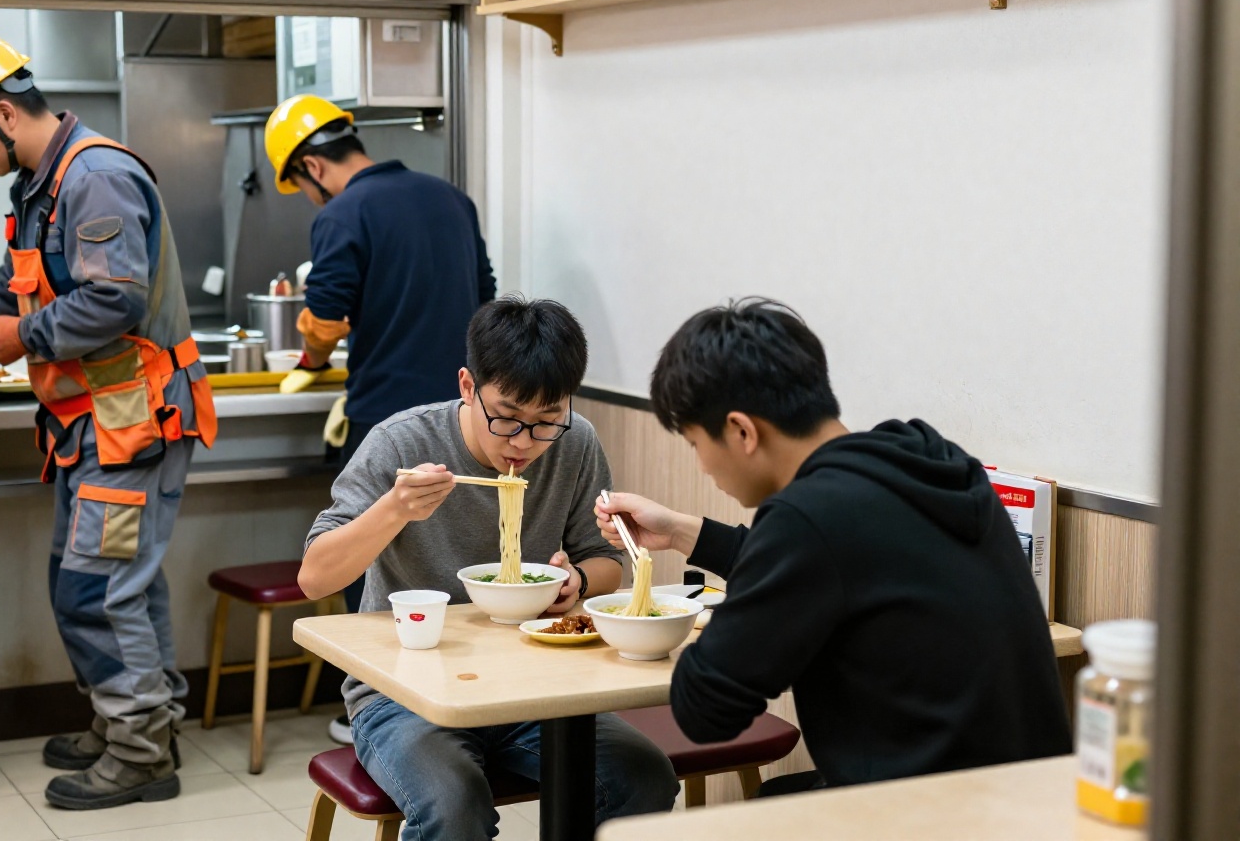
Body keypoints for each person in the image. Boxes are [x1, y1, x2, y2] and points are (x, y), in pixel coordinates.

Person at [595, 299, 1072, 796]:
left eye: (696, 444)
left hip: (929, 817)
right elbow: (831, 565)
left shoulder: (807, 517)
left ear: (741, 430)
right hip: (1034, 803)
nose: (703, 467)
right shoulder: (925, 459)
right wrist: (680, 532)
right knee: (780, 797)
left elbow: (706, 710)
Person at [0, 31, 217, 810]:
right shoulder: (42, 185)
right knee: (109, 585)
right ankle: (133, 721)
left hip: (133, 424)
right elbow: (22, 284)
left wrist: (17, 339)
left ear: (4, 114)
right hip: (94, 428)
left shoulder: (97, 178)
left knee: (98, 589)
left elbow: (111, 301)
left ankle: (141, 750)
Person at [299, 296, 677, 839]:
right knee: (454, 807)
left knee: (642, 777)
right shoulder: (401, 442)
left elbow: (607, 561)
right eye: (507, 418)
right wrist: (394, 510)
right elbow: (315, 576)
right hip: (405, 697)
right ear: (468, 387)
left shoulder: (576, 444)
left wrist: (577, 585)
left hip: (534, 686)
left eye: (548, 421)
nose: (523, 443)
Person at [264, 94, 496, 742]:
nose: (307, 197)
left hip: (386, 421)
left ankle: (370, 706)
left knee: (371, 558)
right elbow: (487, 301)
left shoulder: (343, 212)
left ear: (311, 164)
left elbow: (329, 317)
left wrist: (310, 357)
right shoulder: (452, 199)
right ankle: (454, 696)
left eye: (299, 185)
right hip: (462, 417)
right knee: (450, 557)